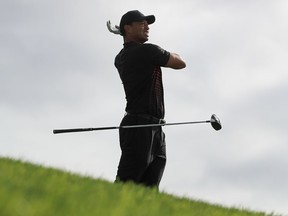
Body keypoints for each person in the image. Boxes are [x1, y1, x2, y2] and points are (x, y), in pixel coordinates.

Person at [114, 10, 186, 188]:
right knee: (126, 184)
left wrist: (126, 36)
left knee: (148, 190)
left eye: (148, 23)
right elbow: (180, 62)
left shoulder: (121, 57)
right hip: (139, 125)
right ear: (127, 28)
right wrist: (165, 51)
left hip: (154, 128)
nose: (147, 27)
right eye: (141, 23)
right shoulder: (147, 51)